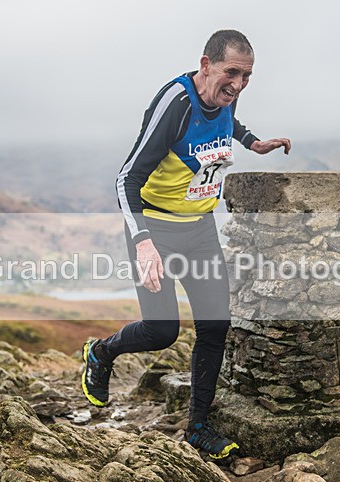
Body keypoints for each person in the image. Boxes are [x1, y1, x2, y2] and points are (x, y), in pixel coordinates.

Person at [81, 29, 291, 459]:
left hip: (198, 228)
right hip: (154, 230)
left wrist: (254, 143)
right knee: (161, 332)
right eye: (231, 73)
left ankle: (197, 426)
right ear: (206, 64)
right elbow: (126, 179)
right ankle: (102, 352)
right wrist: (142, 242)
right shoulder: (174, 104)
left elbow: (226, 123)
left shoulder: (227, 94)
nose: (238, 84)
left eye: (247, 77)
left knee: (215, 326)